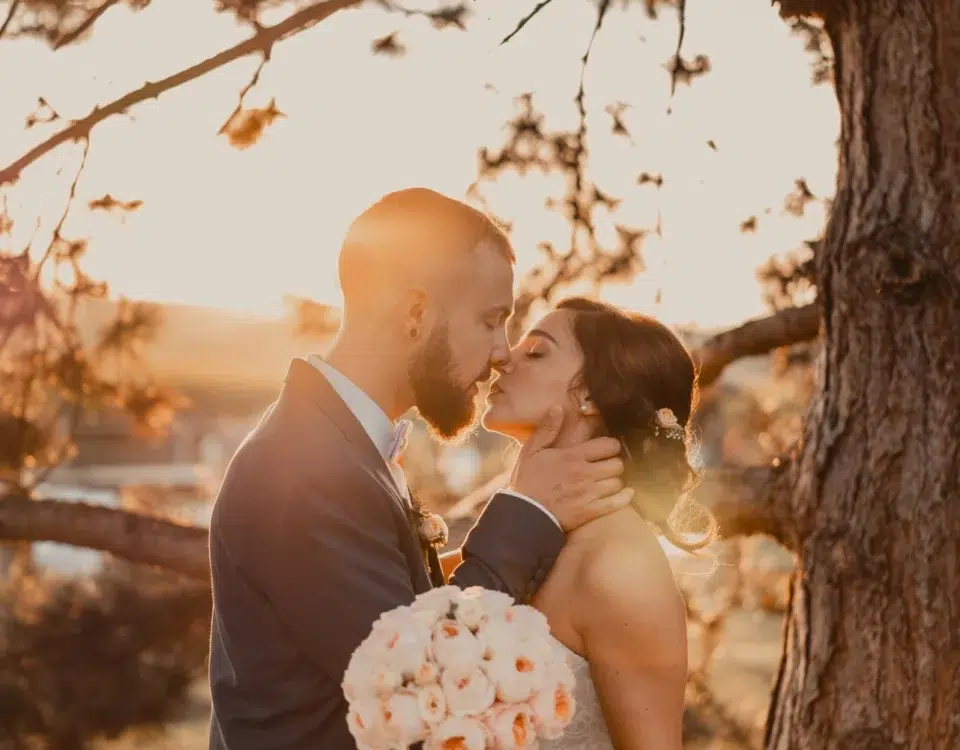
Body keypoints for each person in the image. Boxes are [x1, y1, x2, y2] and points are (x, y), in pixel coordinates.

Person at [206, 189, 633, 749]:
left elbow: (396, 605)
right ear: (414, 312)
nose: (503, 352)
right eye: (489, 320)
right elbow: (427, 687)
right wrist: (526, 512)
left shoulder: (343, 444)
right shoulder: (307, 468)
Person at [480, 296, 717, 750]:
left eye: (536, 352)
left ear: (590, 395)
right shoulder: (530, 534)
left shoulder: (621, 566)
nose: (503, 360)